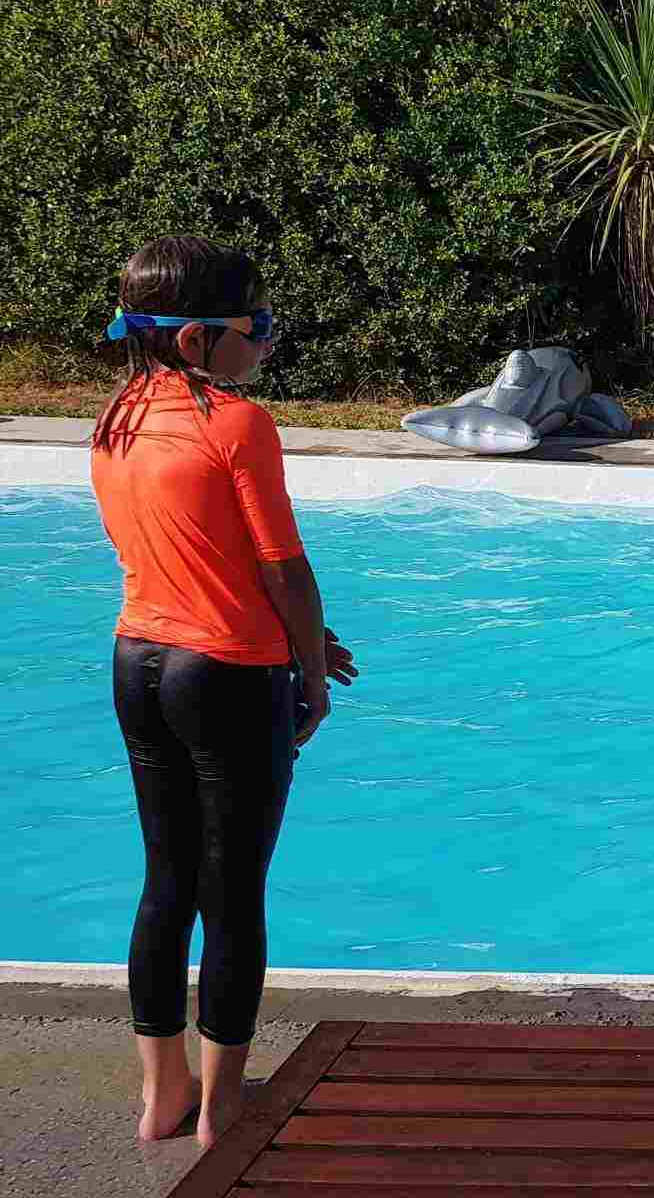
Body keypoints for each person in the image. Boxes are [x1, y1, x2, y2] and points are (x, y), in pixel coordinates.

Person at [88, 236, 357, 1149]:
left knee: (165, 882)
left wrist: (304, 638)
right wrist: (309, 671)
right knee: (233, 893)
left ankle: (162, 1095)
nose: (268, 342)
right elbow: (283, 566)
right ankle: (222, 1110)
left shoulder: (118, 415)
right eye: (259, 325)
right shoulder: (238, 423)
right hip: (228, 674)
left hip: (138, 663)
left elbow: (181, 549)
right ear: (197, 338)